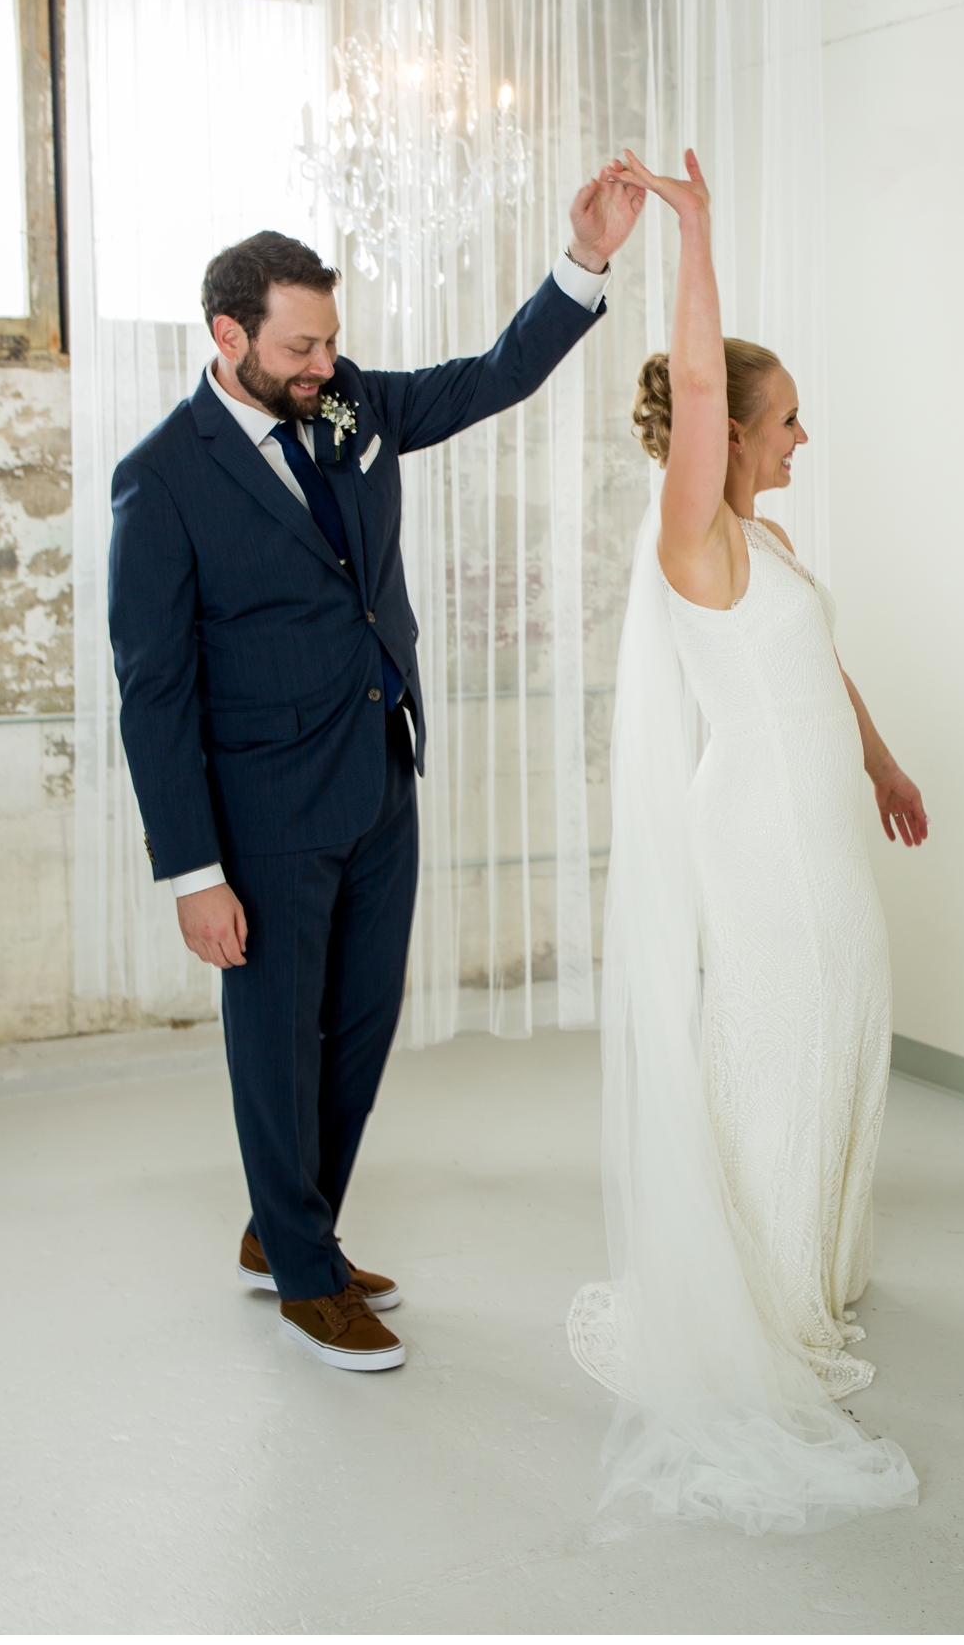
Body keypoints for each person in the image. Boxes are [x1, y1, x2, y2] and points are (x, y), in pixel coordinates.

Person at [106, 180, 643, 1372]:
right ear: (228, 336)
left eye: (333, 339)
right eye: (302, 344)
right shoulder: (161, 479)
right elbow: (154, 692)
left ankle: (289, 1227)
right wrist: (194, 870)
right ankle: (307, 1276)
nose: (326, 363)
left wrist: (581, 263)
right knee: (274, 1038)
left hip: (378, 770)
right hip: (260, 811)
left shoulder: (344, 405)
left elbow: (489, 376)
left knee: (360, 1025)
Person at [568, 149, 924, 1530]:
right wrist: (695, 235)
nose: (797, 438)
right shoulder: (692, 542)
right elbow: (703, 381)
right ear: (728, 430)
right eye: (784, 420)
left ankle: (807, 1262)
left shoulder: (766, 550)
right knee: (784, 1038)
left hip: (823, 828)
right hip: (759, 851)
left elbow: (819, 671)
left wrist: (882, 759)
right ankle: (759, 1300)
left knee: (845, 1025)